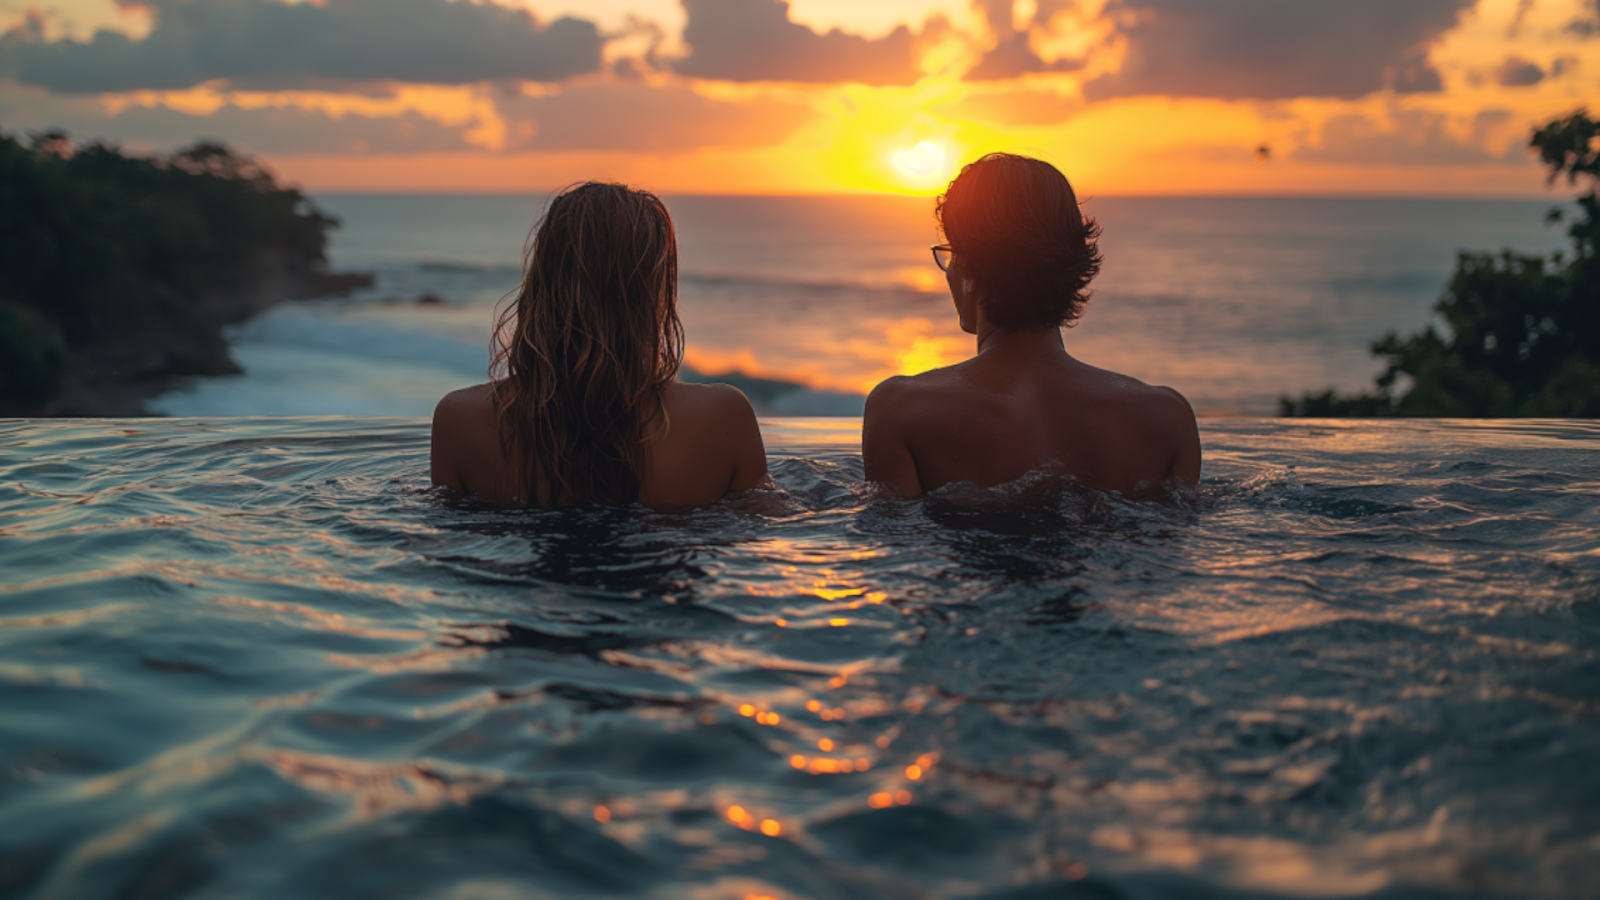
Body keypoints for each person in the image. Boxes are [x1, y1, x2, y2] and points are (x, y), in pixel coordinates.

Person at [862, 153, 1200, 498]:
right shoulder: (1167, 418)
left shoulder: (903, 410)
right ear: (1073, 267)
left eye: (951, 254)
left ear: (969, 269)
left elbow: (897, 540)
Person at [431, 182, 767, 510]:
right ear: (653, 292)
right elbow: (764, 535)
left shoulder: (460, 420)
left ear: (541, 281)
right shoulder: (722, 418)